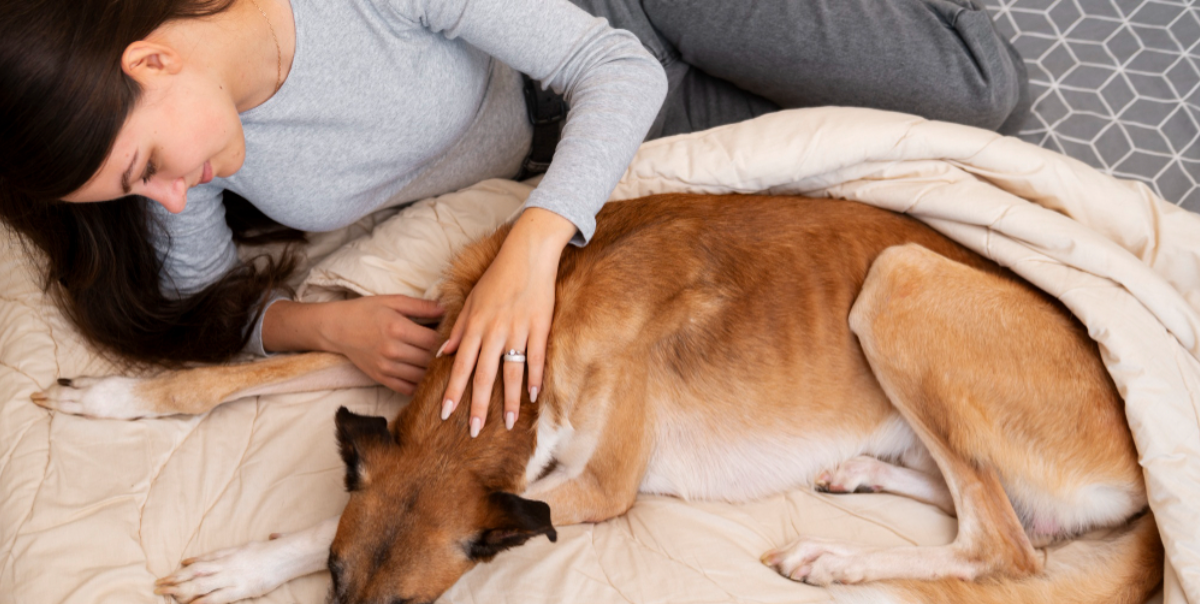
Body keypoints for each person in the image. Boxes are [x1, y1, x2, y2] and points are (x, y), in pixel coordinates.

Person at [0, 0, 1027, 437]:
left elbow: (608, 66)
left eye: (145, 168)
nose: (168, 200)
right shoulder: (200, 151)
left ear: (154, 60)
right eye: (139, 194)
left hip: (622, 27)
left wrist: (536, 244)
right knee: (872, 159)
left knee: (980, 89)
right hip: (585, 133)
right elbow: (193, 296)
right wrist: (323, 324)